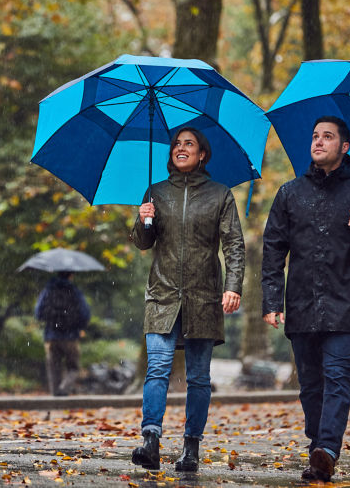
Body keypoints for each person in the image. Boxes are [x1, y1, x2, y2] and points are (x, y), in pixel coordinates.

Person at [261, 116, 350, 482]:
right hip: (300, 304)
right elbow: (273, 250)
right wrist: (272, 300)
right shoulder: (289, 193)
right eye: (315, 136)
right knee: (311, 386)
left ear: (344, 146)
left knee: (337, 376)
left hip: (342, 305)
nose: (318, 142)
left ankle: (328, 448)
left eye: (327, 137)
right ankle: (319, 450)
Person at [130, 127, 245, 472]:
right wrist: (143, 220)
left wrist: (233, 285)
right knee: (158, 368)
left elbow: (234, 244)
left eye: (189, 144)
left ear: (202, 155)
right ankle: (150, 440)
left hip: (204, 296)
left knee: (197, 377)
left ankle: (191, 447)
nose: (181, 148)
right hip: (162, 295)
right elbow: (142, 243)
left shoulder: (220, 195)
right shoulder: (157, 193)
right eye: (177, 144)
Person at [34, 271, 91, 396]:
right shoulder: (75, 291)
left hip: (51, 336)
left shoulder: (48, 290)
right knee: (74, 367)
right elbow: (85, 313)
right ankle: (64, 389)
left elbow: (38, 312)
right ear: (71, 275)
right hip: (70, 337)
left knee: (54, 368)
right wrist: (79, 326)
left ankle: (55, 394)